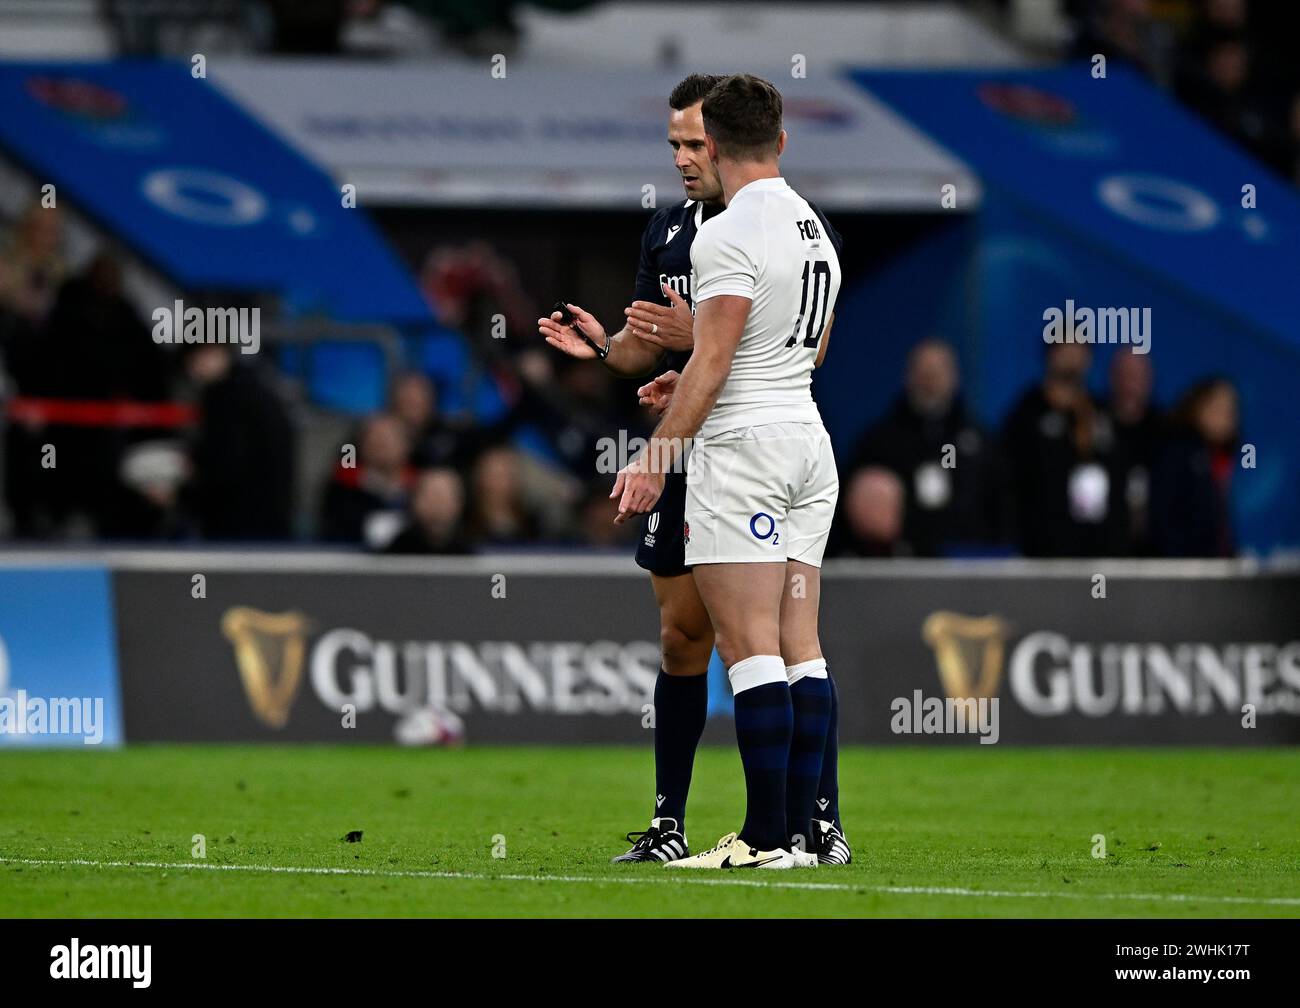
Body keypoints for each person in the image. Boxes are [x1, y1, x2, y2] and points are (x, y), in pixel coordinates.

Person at [539, 73, 848, 866]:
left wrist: (651, 457)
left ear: (714, 142)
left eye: (690, 142)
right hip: (804, 439)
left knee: (750, 648)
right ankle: (799, 839)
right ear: (778, 140)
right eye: (670, 144)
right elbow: (797, 351)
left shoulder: (726, 234)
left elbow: (712, 364)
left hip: (738, 445)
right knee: (791, 644)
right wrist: (627, 352)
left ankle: (770, 837)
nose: (681, 157)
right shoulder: (809, 225)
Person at [852, 339, 1002, 555]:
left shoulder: (980, 442)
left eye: (938, 371)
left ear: (955, 377)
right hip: (896, 566)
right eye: (923, 371)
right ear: (908, 376)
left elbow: (1000, 507)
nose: (930, 381)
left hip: (968, 568)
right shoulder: (879, 442)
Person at [1149, 377, 1239, 557]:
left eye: (1230, 410)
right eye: (1217, 407)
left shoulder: (1222, 460)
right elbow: (1164, 522)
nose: (1225, 416)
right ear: (1197, 408)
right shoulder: (1178, 453)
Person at [385, 467, 474, 555]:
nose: (436, 504)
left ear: (459, 503)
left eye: (442, 497)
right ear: (414, 501)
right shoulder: (397, 550)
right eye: (429, 496)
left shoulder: (472, 550)